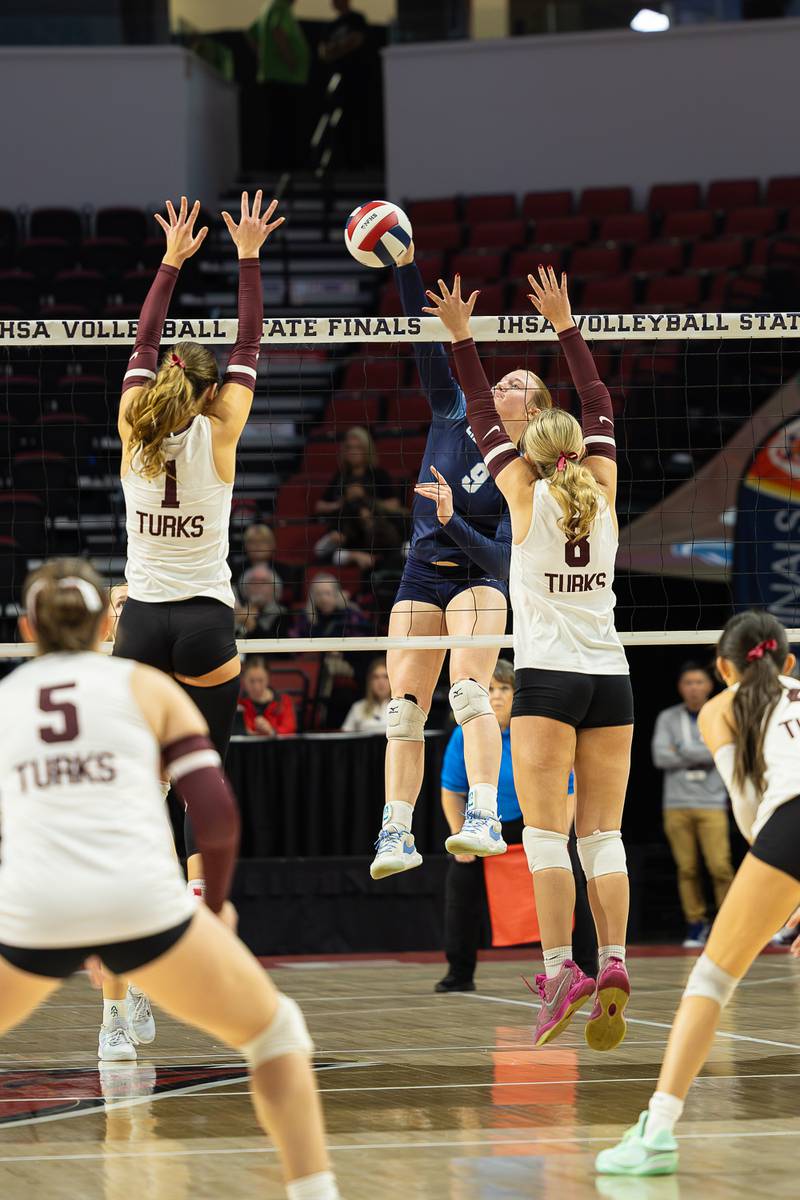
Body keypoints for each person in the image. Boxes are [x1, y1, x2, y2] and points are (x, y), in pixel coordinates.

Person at [0, 558, 341, 1200]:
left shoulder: (6, 700)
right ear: (109, 622)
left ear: (26, 628)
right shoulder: (148, 688)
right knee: (276, 1033)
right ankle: (314, 1191)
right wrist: (215, 906)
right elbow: (213, 813)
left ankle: (115, 1021)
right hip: (139, 900)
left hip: (35, 904)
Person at [423, 266, 634, 1051]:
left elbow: (478, 409)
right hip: (611, 678)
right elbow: (600, 403)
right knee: (603, 839)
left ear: (528, 450)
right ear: (580, 450)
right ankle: (612, 958)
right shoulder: (603, 489)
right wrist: (566, 325)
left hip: (546, 681)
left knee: (546, 840)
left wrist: (459, 337)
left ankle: (561, 970)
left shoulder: (522, 493)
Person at [114, 191, 283, 902]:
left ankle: (133, 900)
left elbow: (146, 341)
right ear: (212, 394)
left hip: (143, 620)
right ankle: (196, 903)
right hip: (207, 622)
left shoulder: (130, 422)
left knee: (139, 780)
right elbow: (249, 343)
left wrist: (169, 262)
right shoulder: (223, 431)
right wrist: (247, 256)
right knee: (197, 771)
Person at [369, 243, 554, 883]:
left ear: (533, 412)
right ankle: (396, 829)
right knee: (403, 710)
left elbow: (505, 558)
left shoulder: (525, 466)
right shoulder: (452, 410)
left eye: (518, 385)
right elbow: (427, 344)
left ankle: (483, 817)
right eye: (500, 378)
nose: (503, 381)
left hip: (477, 578)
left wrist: (452, 519)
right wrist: (403, 262)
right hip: (421, 574)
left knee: (472, 693)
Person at [596, 610, 800, 1178]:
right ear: (789, 662)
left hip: (790, 822)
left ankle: (657, 1131)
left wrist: (788, 897)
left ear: (722, 667)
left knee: (711, 979)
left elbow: (746, 808)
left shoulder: (719, 708)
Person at [437, 658, 596, 993]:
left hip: (538, 819)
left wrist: (561, 833)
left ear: (516, 693)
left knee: (572, 879)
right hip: (486, 823)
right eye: (489, 689)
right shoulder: (464, 735)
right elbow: (452, 791)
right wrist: (457, 833)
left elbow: (570, 788)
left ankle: (588, 969)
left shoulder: (537, 730)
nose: (495, 696)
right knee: (460, 877)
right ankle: (459, 974)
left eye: (504, 688)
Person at [652, 662, 733, 948]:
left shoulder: (721, 712)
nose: (694, 688)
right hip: (676, 803)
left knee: (720, 866)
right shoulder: (668, 717)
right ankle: (696, 923)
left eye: (699, 682)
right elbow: (661, 757)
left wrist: (683, 750)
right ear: (680, 687)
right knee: (687, 868)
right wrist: (705, 752)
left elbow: (727, 751)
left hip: (712, 802)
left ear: (710, 685)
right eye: (688, 682)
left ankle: (727, 923)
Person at [250, 0, 310, 170]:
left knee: (278, 124)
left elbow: (251, 33)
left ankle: (278, 166)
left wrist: (264, 57)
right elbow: (278, 31)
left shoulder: (268, 9)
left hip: (274, 77)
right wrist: (288, 60)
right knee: (285, 126)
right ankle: (284, 167)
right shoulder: (280, 8)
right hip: (284, 78)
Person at [317, 0, 370, 168]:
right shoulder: (330, 26)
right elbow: (324, 52)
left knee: (358, 121)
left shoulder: (357, 19)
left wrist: (336, 48)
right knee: (339, 123)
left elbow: (356, 40)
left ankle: (359, 162)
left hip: (357, 81)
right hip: (337, 84)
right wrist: (340, 47)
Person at [314, 426, 399, 519]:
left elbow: (394, 504)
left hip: (373, 525)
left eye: (358, 448)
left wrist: (365, 498)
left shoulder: (378, 474)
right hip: (343, 525)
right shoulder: (341, 475)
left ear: (367, 450)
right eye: (349, 448)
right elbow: (320, 506)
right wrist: (343, 502)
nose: (353, 452)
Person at [237, 656, 297, 736]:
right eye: (251, 681)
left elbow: (290, 730)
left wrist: (272, 732)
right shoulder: (238, 704)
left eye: (261, 680)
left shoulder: (284, 701)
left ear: (268, 678)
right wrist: (246, 734)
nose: (256, 687)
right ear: (244, 679)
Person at [235, 564, 291, 640]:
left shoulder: (283, 614)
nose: (258, 585)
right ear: (244, 588)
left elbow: (279, 648)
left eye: (264, 582)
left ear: (275, 589)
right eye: (253, 581)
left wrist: (252, 625)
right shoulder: (235, 610)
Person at [341, 656, 391, 732]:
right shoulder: (358, 707)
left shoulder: (401, 708)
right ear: (370, 681)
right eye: (376, 677)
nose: (381, 682)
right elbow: (345, 737)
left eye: (385, 677)